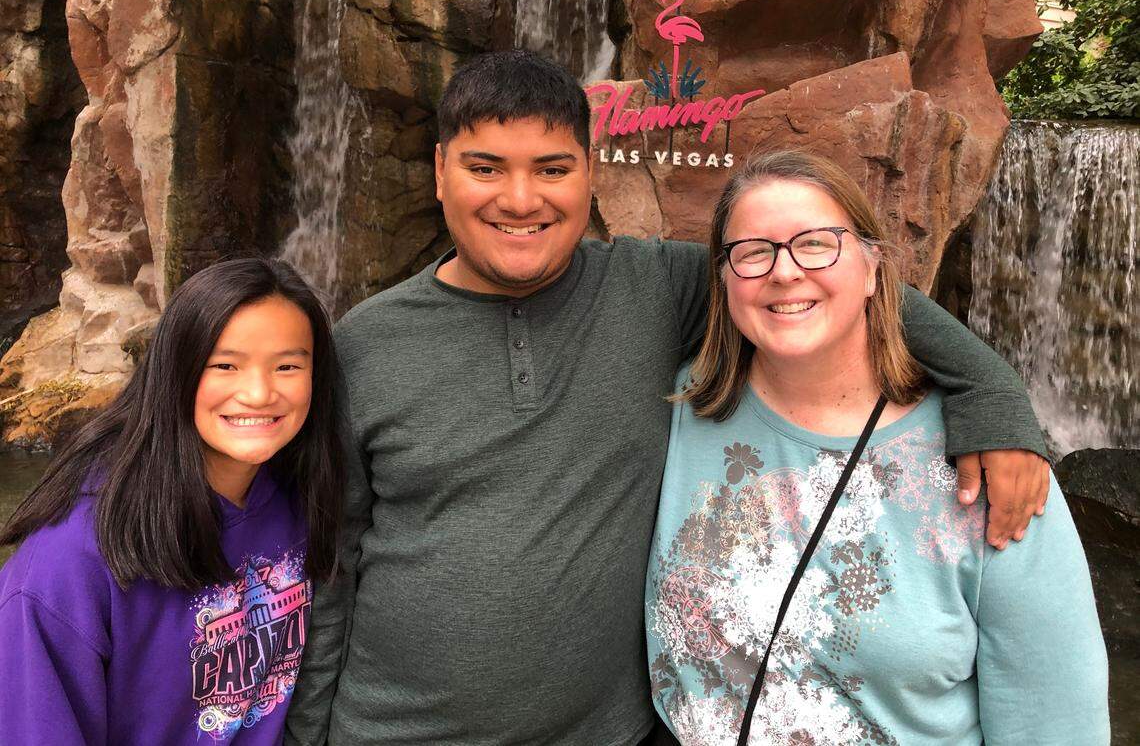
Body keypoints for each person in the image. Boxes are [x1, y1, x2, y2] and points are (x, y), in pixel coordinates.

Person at [286, 50, 1053, 746]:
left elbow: (839, 285)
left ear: (590, 173)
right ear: (439, 171)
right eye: (485, 167)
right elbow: (330, 561)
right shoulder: (365, 341)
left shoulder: (658, 287)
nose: (520, 199)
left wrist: (994, 397)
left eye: (552, 169)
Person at [646, 151, 1108, 745]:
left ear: (872, 269)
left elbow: (1055, 720)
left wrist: (996, 393)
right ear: (724, 279)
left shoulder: (983, 462)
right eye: (754, 251)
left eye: (817, 243)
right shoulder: (678, 409)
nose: (784, 272)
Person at [0, 258, 345, 744]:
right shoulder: (70, 558)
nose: (259, 392)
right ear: (175, 371)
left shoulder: (302, 497)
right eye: (225, 365)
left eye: (288, 366)